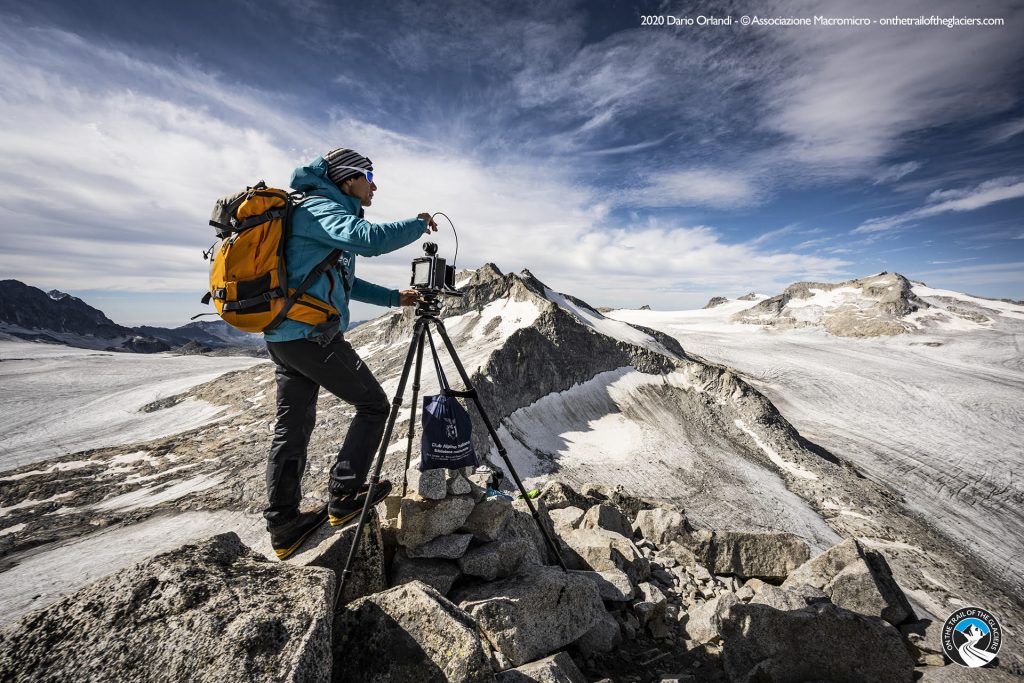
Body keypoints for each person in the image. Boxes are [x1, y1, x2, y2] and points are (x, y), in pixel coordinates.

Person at [263, 147, 437, 559]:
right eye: (368, 175)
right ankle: (344, 496)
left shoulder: (319, 214)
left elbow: (345, 283)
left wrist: (396, 297)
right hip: (311, 337)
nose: (374, 184)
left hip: (287, 336)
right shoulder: (318, 209)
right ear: (347, 179)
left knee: (293, 425)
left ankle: (284, 525)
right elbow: (370, 241)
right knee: (374, 405)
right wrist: (416, 224)